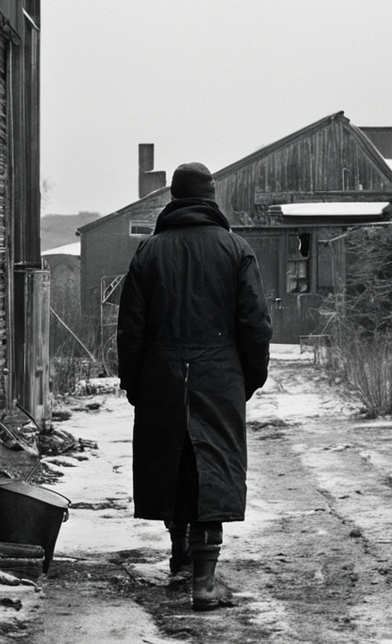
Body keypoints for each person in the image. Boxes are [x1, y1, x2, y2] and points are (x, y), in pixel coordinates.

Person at [117, 162, 273, 611]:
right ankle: (204, 581)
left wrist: (136, 383)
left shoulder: (149, 252)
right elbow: (255, 324)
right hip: (219, 376)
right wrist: (248, 378)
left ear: (173, 196)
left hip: (161, 375)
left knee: (173, 462)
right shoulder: (236, 249)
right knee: (213, 468)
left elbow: (130, 329)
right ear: (210, 196)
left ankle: (180, 554)